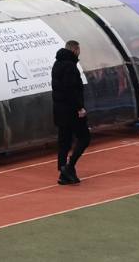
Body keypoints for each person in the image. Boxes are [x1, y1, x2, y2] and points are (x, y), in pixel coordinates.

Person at [51, 40, 89, 185]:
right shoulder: (70, 67)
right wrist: (80, 107)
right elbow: (71, 90)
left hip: (59, 110)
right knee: (84, 138)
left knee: (64, 142)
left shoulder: (57, 64)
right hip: (71, 111)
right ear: (75, 50)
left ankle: (63, 172)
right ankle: (69, 166)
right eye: (78, 50)